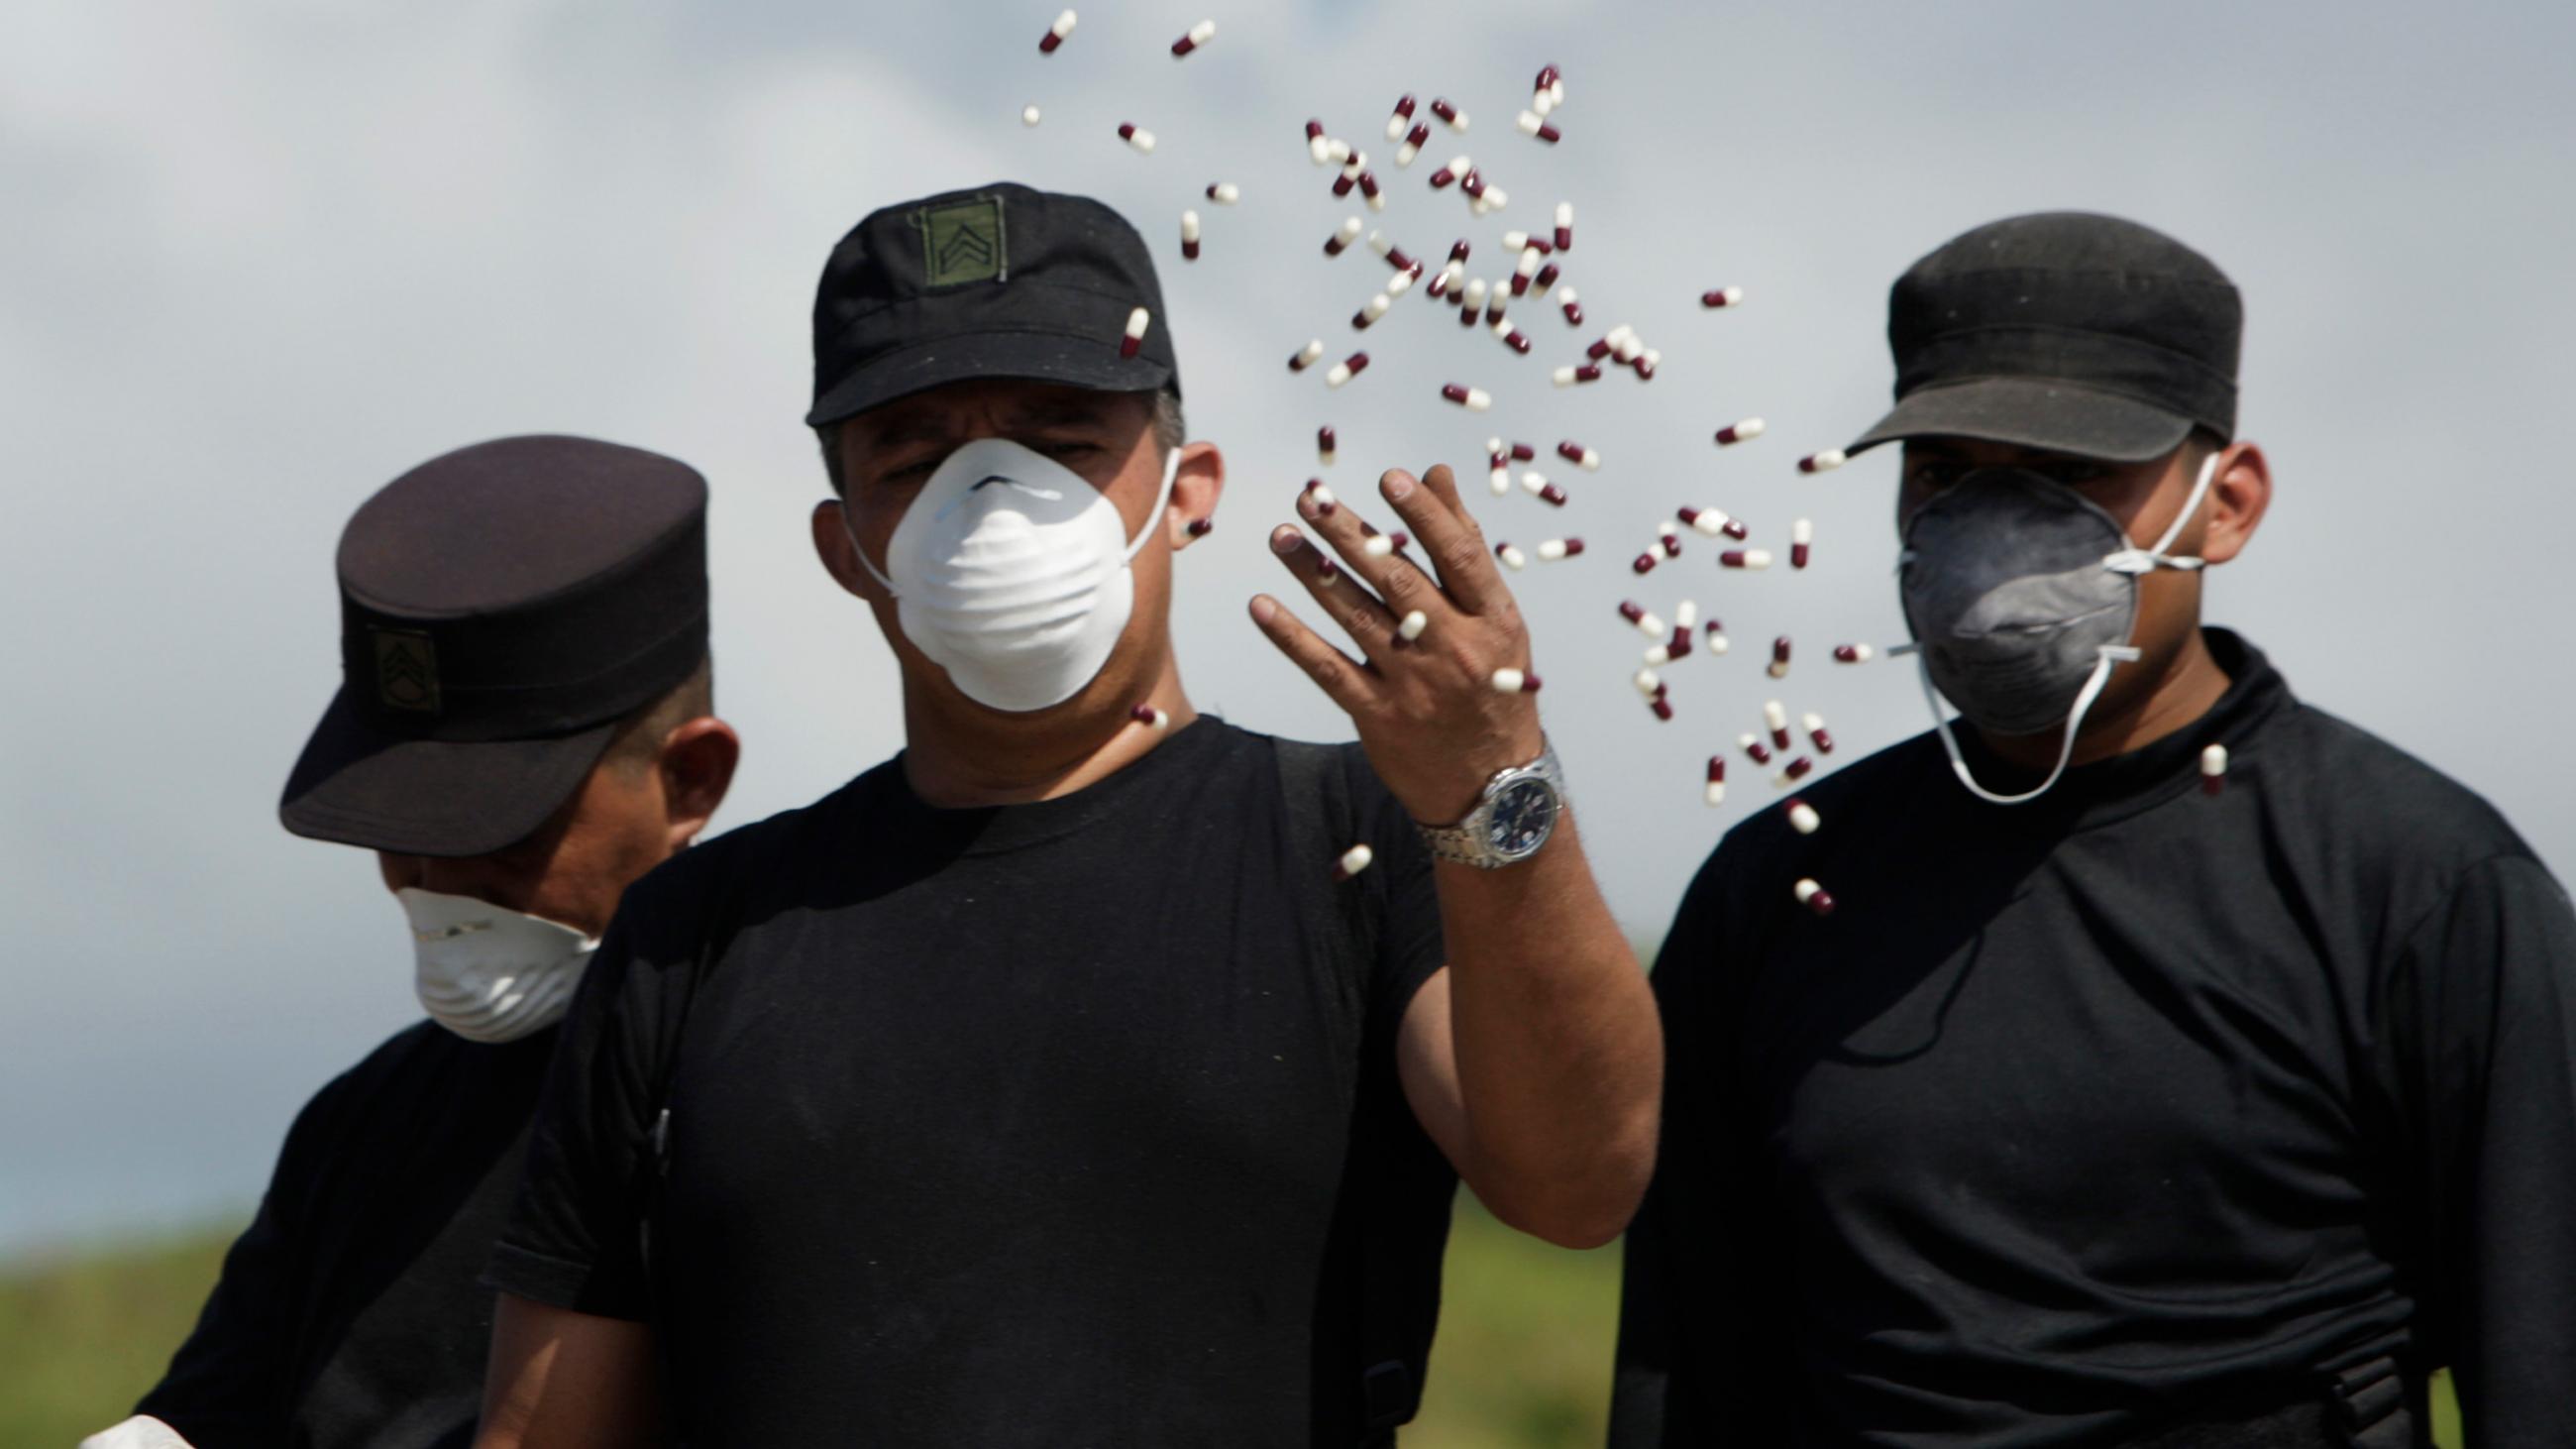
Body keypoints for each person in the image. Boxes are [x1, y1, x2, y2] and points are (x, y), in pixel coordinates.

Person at [472, 181, 1661, 1447]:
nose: (992, 502)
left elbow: (1578, 1182)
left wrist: (1494, 786)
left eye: (1063, 439)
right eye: (915, 456)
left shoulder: (1359, 840)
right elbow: (548, 1427)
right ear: (843, 543)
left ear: (1189, 488)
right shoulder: (694, 935)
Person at [1611, 213, 2576, 1447]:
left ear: (2224, 505)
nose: (1991, 534)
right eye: (1948, 475)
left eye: (2070, 476)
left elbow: (2541, 1359)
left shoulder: (2417, 882)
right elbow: (1687, 1360)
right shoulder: (1783, 882)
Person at [86, 436, 739, 1449]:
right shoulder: (363, 1123)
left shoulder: (789, 1075)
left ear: (688, 782)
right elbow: (206, 1420)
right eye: (403, 832)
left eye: (497, 833)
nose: (434, 886)